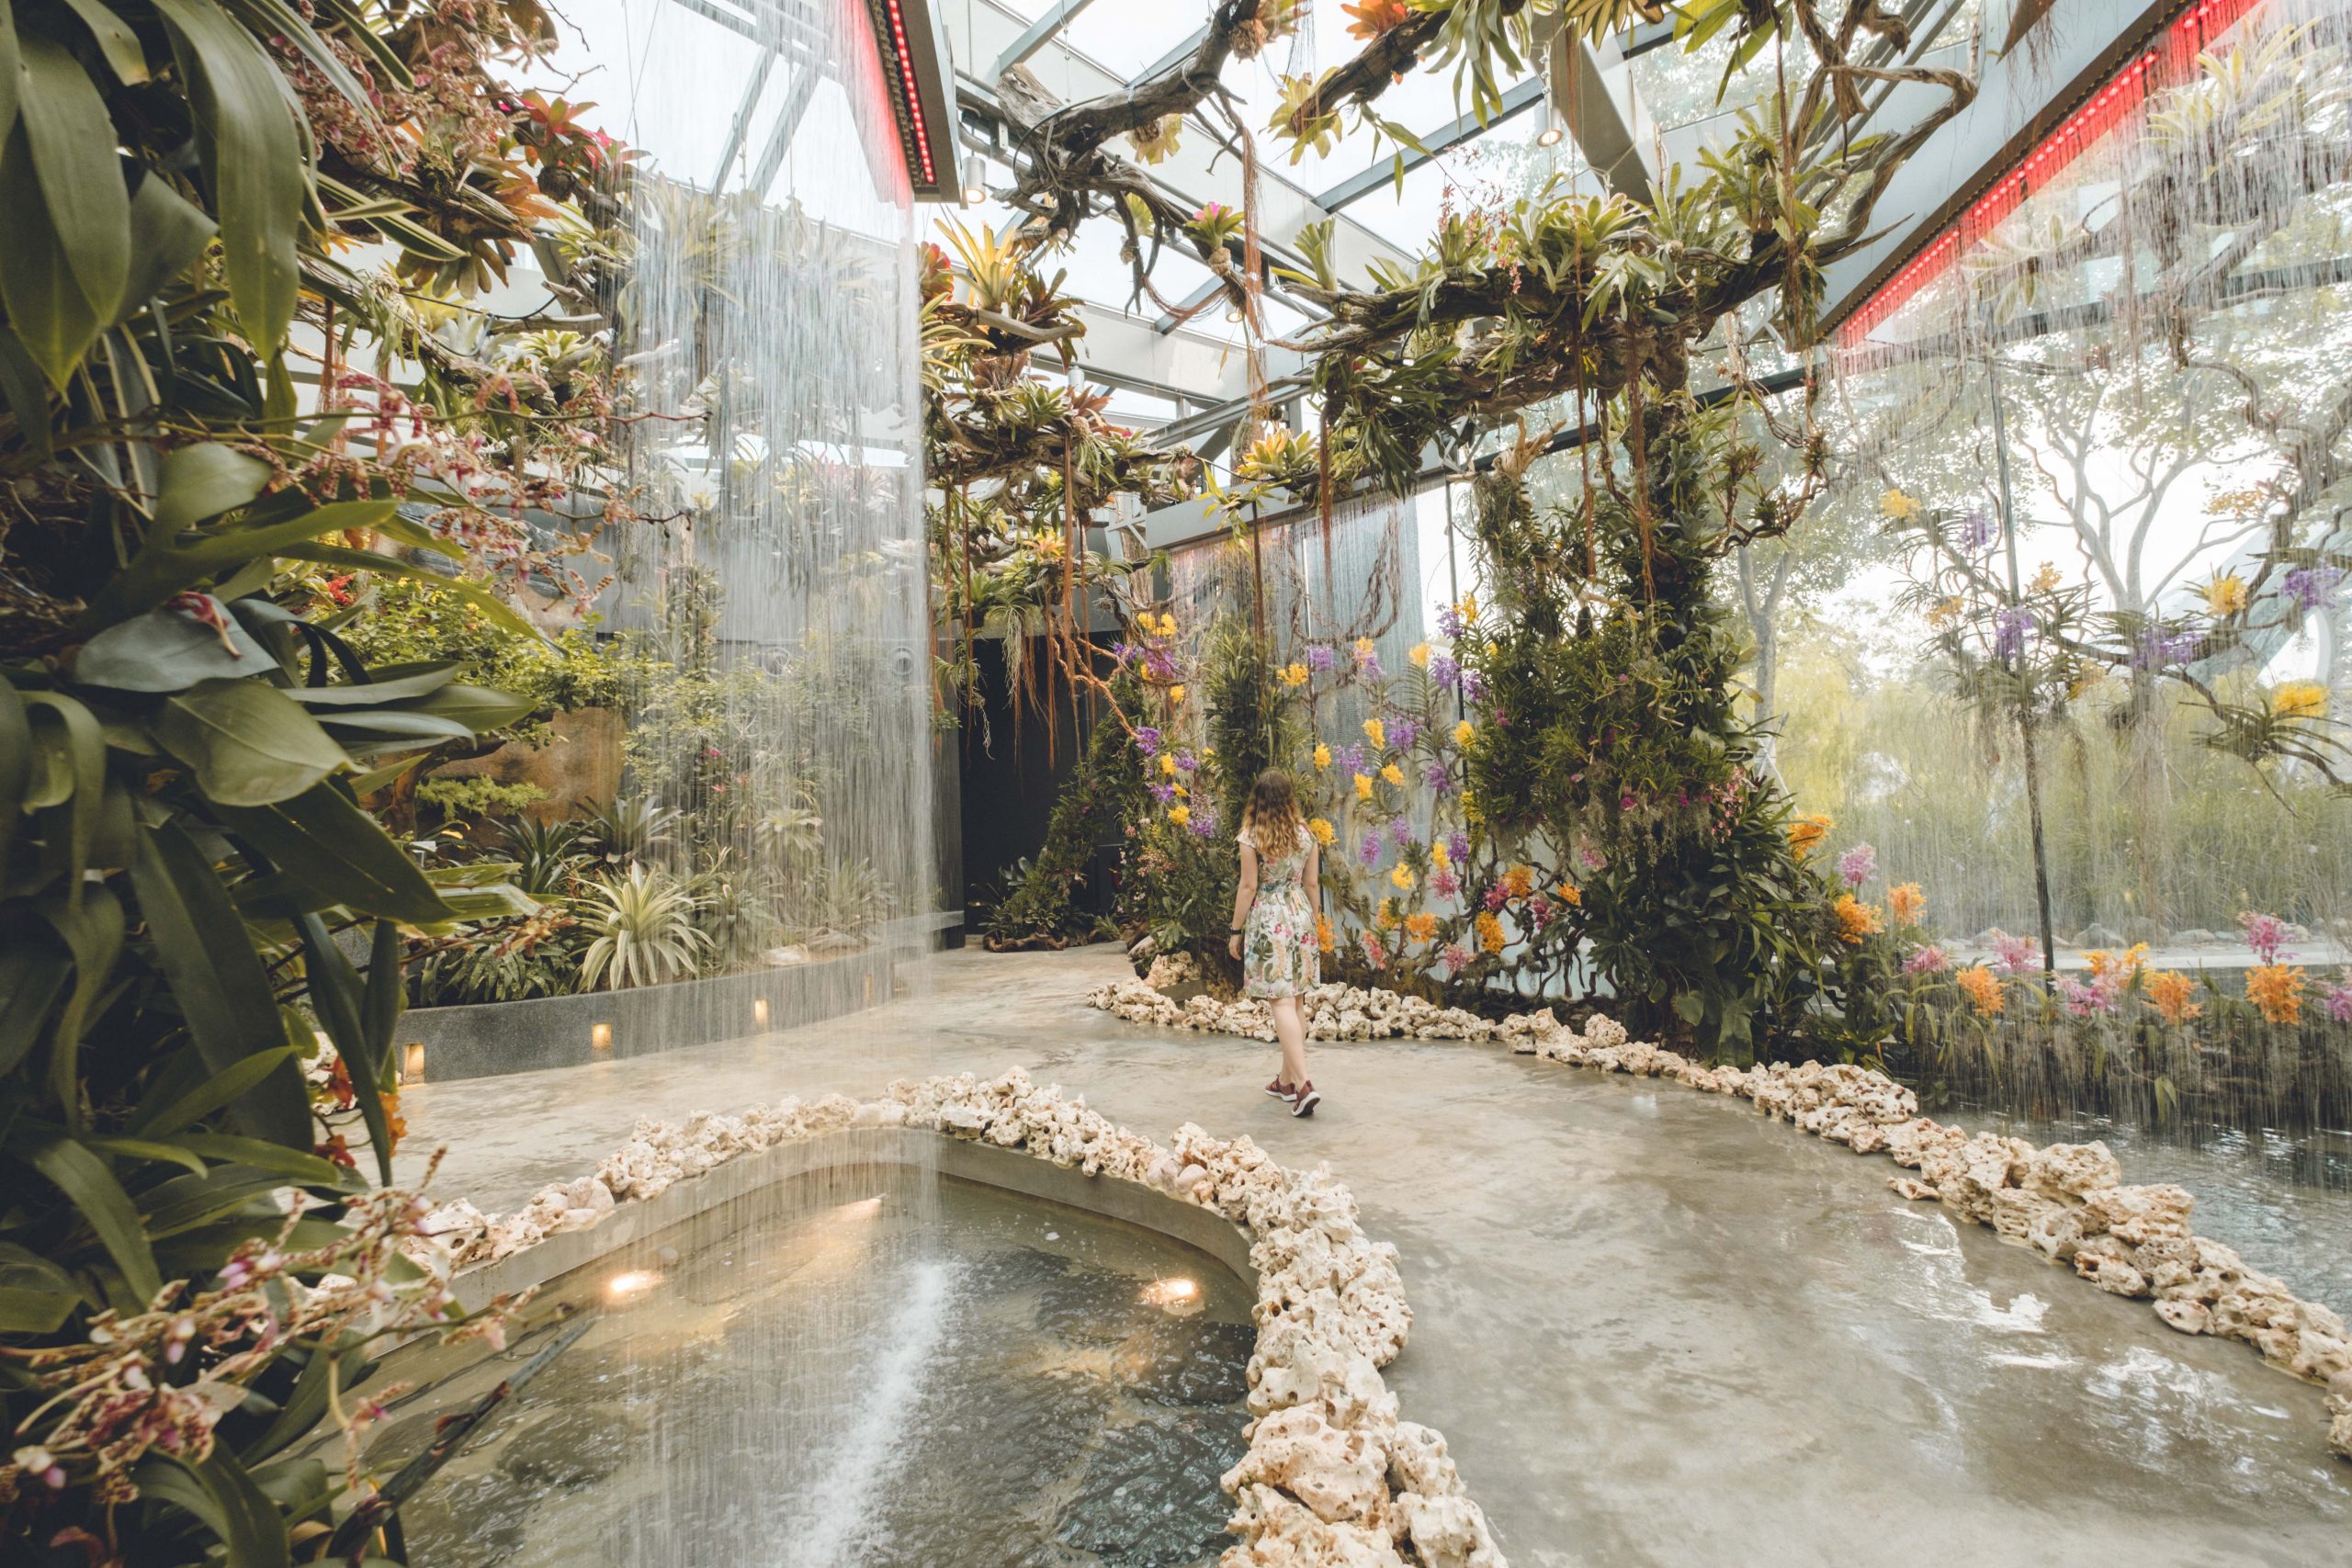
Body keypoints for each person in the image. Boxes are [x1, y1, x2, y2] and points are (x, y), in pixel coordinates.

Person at [1227, 768, 1322, 1116]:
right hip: (1300, 916)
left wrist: (1236, 930)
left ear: (1258, 801)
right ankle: (1284, 1081)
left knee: (1281, 1004)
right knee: (1295, 1002)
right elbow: (1312, 885)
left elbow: (1248, 887)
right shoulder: (1307, 835)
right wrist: (1313, 923)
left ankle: (1303, 1085)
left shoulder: (1251, 836)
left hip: (1270, 919)